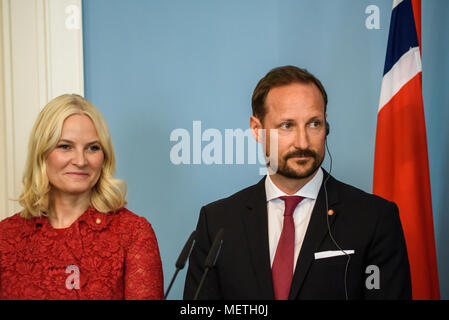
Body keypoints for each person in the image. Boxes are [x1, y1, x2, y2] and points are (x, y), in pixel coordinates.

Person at [184, 66, 412, 300]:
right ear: (257, 129)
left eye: (314, 124)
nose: (302, 142)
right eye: (287, 126)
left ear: (326, 127)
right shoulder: (217, 223)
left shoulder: (375, 218)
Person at [0, 94, 163, 300]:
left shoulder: (132, 233)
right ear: (42, 153)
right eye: (65, 146)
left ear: (104, 157)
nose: (80, 160)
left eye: (92, 148)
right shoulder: (5, 236)